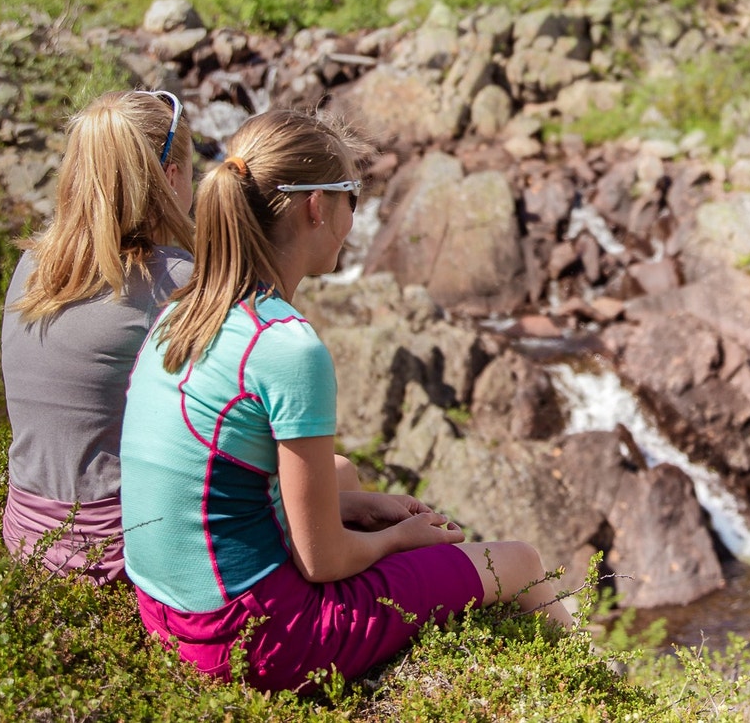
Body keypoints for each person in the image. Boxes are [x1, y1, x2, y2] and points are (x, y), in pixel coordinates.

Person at [120, 109, 570, 692]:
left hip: (167, 616)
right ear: (316, 206)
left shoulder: (183, 312)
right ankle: (611, 693)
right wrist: (398, 539)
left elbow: (221, 481)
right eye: (351, 198)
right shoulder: (285, 346)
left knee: (347, 479)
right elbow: (322, 563)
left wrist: (361, 507)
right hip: (253, 641)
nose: (354, 218)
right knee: (522, 562)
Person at [1, 89, 196, 584]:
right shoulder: (174, 280)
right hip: (117, 554)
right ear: (171, 178)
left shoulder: (34, 264)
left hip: (25, 535)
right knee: (338, 477)